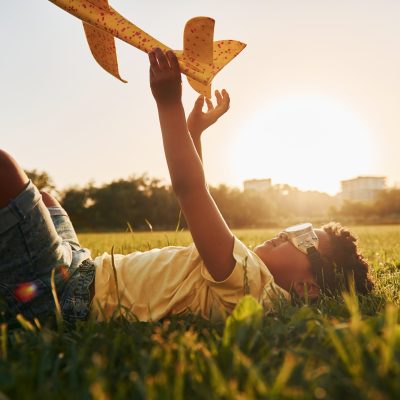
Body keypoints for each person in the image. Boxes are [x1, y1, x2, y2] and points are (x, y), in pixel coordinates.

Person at [0, 49, 373, 324]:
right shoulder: (243, 270)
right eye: (300, 228)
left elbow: (191, 191)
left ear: (308, 288)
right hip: (83, 267)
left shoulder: (250, 286)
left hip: (61, 297)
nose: (287, 233)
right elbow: (199, 200)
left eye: (305, 239)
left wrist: (168, 105)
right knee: (45, 199)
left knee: (5, 170)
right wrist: (193, 132)